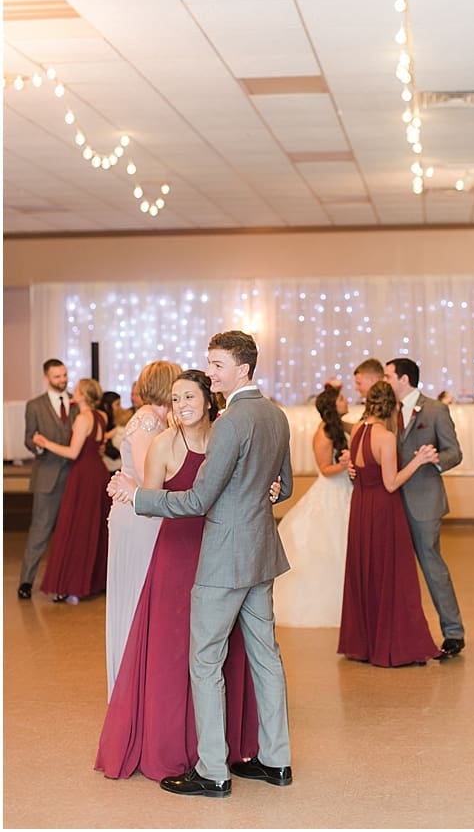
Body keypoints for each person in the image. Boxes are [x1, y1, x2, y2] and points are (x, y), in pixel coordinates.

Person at [110, 330, 295, 798]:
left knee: (206, 661)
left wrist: (139, 496)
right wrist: (269, 491)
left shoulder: (232, 420)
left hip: (224, 558)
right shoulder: (276, 414)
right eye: (209, 364)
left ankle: (212, 770)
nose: (209, 372)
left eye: (216, 365)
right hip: (261, 553)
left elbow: (198, 499)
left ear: (242, 370)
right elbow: (284, 485)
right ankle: (276, 761)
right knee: (265, 658)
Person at [96, 370, 261, 781]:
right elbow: (150, 504)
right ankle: (173, 747)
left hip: (220, 554)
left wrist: (269, 488)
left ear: (208, 400)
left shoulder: (226, 436)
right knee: (173, 651)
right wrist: (134, 492)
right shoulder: (164, 444)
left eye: (189, 396)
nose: (181, 404)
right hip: (176, 556)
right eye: (175, 398)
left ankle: (225, 746)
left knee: (222, 651)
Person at [339, 381, 442, 666]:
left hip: (361, 509)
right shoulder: (385, 437)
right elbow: (391, 482)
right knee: (392, 576)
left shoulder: (358, 430)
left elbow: (357, 471)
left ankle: (364, 644)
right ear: (391, 405)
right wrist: (419, 460)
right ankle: (394, 645)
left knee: (366, 573)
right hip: (384, 512)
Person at [104, 359, 180, 697]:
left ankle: (142, 680)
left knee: (145, 594)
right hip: (139, 519)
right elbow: (156, 478)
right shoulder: (148, 420)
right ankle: (133, 685)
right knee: (137, 593)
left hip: (141, 515)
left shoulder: (156, 419)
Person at [384, 357, 466, 658]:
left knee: (432, 567)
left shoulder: (435, 410)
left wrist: (436, 459)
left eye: (388, 376)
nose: (386, 381)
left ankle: (453, 632)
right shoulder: (387, 412)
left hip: (425, 502)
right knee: (396, 569)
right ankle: (402, 631)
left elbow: (455, 452)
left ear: (403, 379)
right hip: (391, 501)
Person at [274, 384, 354, 628]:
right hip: (331, 491)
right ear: (333, 405)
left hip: (346, 490)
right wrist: (344, 464)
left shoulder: (341, 427)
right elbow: (325, 470)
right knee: (330, 544)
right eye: (341, 397)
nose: (346, 399)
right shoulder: (323, 434)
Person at [36, 377, 111, 604]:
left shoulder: (82, 418)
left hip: (83, 476)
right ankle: (95, 582)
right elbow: (99, 445)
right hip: (99, 473)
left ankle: (72, 584)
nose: (73, 392)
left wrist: (44, 442)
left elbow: (72, 453)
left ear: (84, 395)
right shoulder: (102, 416)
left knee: (77, 528)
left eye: (77, 390)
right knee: (96, 528)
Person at [17, 359, 74, 600]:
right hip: (46, 477)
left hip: (74, 476)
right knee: (40, 531)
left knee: (68, 532)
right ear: (46, 378)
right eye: (56, 376)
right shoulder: (34, 405)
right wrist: (39, 445)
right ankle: (26, 581)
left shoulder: (78, 403)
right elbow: (29, 439)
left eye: (64, 375)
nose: (62, 380)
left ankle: (64, 583)